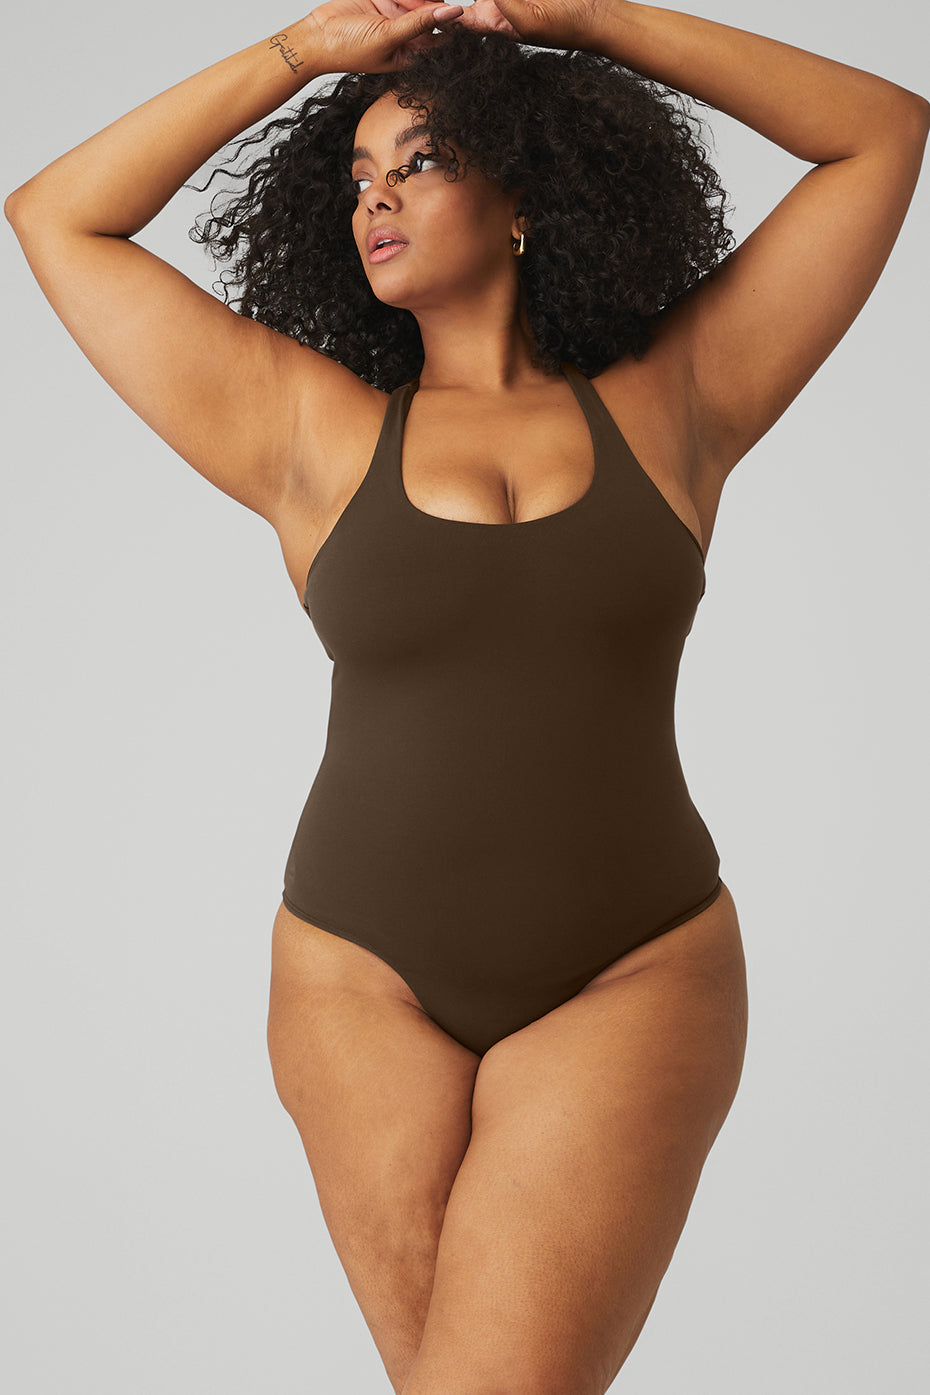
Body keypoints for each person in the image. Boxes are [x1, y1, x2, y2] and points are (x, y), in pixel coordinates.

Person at [6, 2, 927, 1390]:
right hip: (358, 982)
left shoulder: (679, 398)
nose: (374, 199)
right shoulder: (305, 428)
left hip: (634, 970)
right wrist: (301, 56)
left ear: (524, 193)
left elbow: (881, 135)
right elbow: (56, 216)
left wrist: (580, 20)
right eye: (358, 177)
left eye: (421, 161)